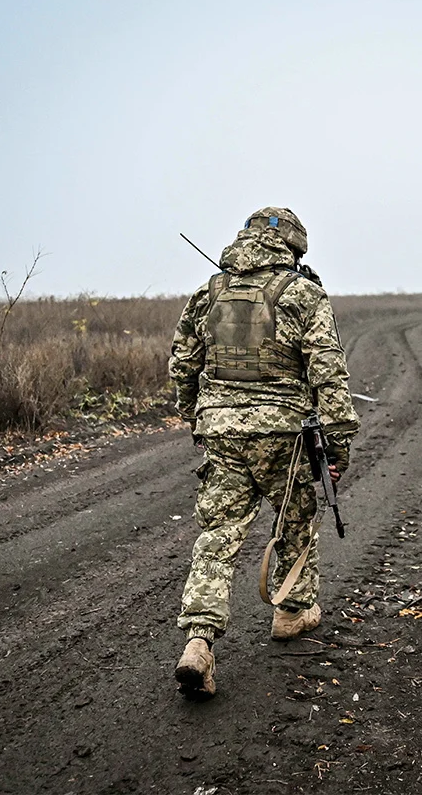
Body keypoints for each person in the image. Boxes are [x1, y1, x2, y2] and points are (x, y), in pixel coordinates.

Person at [167, 207, 360, 697]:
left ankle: (198, 641)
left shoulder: (206, 294)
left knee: (218, 536)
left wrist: (198, 417)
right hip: (284, 436)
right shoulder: (304, 295)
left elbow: (182, 367)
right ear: (294, 248)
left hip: (221, 430)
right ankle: (291, 612)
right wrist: (337, 446)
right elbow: (329, 375)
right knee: (294, 518)